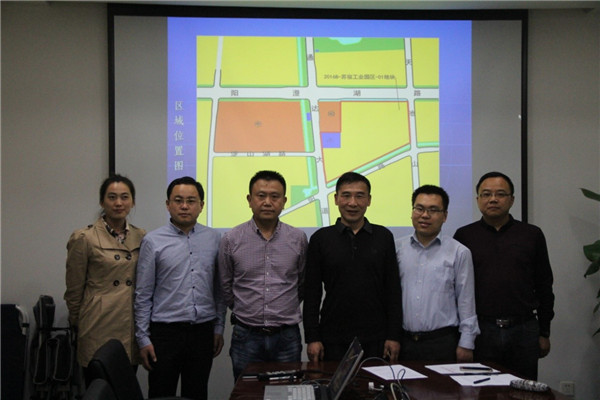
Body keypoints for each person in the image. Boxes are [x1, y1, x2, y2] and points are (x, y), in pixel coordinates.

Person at [454, 171, 554, 380]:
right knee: (479, 390)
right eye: (486, 194)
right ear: (478, 199)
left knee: (523, 390)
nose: (493, 199)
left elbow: (544, 285)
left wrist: (544, 332)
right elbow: (456, 289)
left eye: (500, 194)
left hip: (523, 329)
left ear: (512, 200)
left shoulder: (532, 234)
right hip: (481, 330)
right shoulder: (464, 236)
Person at [134, 176, 224, 400]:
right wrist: (143, 338)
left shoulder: (214, 239)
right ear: (168, 204)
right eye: (178, 200)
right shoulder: (152, 241)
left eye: (191, 201)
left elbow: (219, 290)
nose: (184, 206)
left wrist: (219, 328)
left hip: (202, 332)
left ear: (201, 205)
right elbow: (143, 294)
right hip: (165, 334)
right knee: (161, 393)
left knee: (196, 393)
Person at [303, 171, 402, 363]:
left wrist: (394, 335)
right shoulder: (321, 239)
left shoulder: (383, 237)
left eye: (360, 196)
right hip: (332, 337)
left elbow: (393, 290)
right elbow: (312, 293)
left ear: (369, 200)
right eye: (346, 195)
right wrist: (312, 338)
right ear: (336, 199)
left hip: (376, 337)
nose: (352, 203)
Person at [218, 170, 308, 380]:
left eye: (275, 196)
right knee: (246, 392)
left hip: (286, 336)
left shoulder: (298, 238)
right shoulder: (231, 239)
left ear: (284, 201)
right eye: (261, 196)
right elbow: (225, 285)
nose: (267, 202)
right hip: (246, 335)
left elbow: (302, 283)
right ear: (249, 200)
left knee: (288, 391)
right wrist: (245, 309)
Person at [64, 174, 145, 384]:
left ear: (133, 202)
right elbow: (74, 290)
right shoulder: (84, 238)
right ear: (102, 202)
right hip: (97, 324)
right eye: (112, 197)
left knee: (125, 389)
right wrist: (78, 322)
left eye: (125, 197)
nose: (118, 203)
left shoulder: (142, 237)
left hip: (129, 324)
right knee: (99, 388)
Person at [396, 185, 479, 363]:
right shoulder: (397, 249)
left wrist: (467, 343)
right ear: (412, 212)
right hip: (403, 342)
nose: (425, 215)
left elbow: (466, 301)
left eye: (433, 210)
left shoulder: (459, 252)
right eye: (419, 208)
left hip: (442, 343)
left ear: (445, 216)